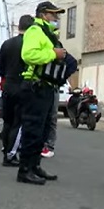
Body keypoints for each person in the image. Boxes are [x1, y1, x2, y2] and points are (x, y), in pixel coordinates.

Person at [17, 1, 72, 185]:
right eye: (53, 14)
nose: (56, 18)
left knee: (43, 130)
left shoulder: (49, 34)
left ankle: (35, 166)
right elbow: (28, 54)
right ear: (43, 14)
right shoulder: (35, 31)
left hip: (47, 87)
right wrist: (53, 54)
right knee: (32, 129)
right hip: (35, 86)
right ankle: (25, 170)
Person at [0, 15, 34, 167]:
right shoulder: (30, 45)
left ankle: (6, 150)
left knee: (7, 121)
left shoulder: (7, 44)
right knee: (18, 123)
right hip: (23, 86)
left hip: (8, 85)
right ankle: (11, 155)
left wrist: (7, 76)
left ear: (19, 26)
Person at [42, 22, 62, 159]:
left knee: (51, 117)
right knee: (44, 118)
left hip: (52, 87)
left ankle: (49, 145)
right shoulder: (39, 41)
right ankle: (43, 145)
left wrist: (60, 77)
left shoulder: (58, 47)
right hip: (41, 85)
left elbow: (70, 63)